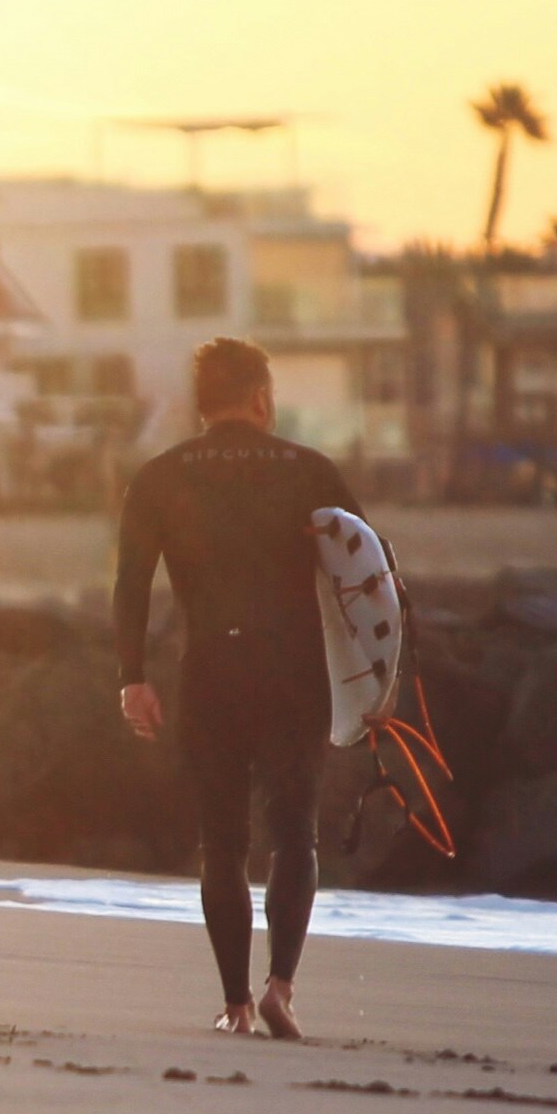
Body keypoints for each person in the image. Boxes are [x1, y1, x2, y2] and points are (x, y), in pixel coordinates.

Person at [113, 336, 364, 1039]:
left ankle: (236, 1005)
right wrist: (371, 685)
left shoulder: (161, 477)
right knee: (294, 837)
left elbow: (130, 585)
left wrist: (132, 678)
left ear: (201, 404)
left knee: (221, 843)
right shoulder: (309, 471)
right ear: (260, 397)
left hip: (211, 674)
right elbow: (367, 583)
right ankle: (281, 985)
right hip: (294, 673)